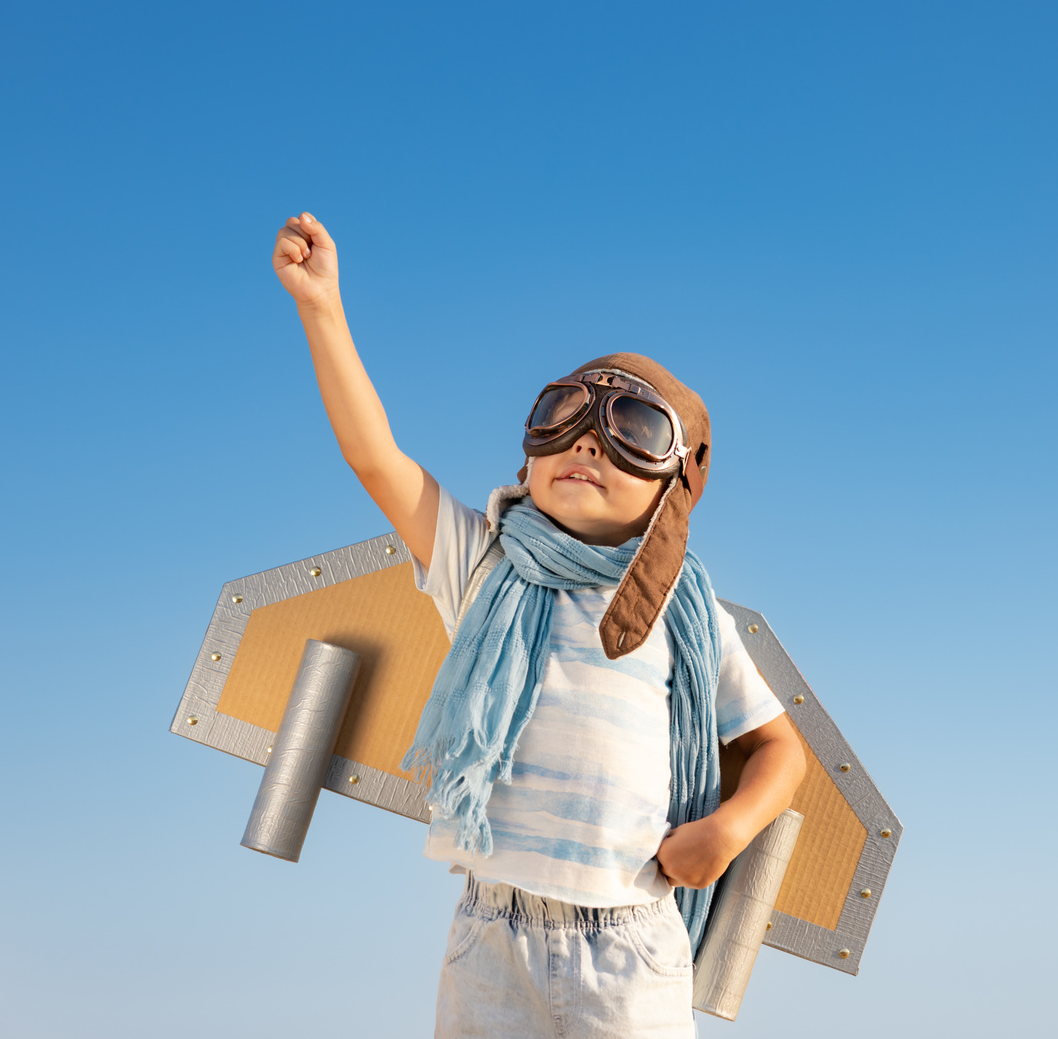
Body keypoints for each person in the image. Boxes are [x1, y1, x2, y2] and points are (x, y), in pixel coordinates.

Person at [273, 212, 807, 1038]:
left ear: (672, 495)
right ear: (528, 456)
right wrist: (322, 307)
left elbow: (779, 750)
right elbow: (376, 458)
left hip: (629, 939)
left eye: (630, 432)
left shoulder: (683, 614)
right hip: (490, 934)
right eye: (564, 416)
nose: (587, 445)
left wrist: (728, 831)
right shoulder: (484, 565)